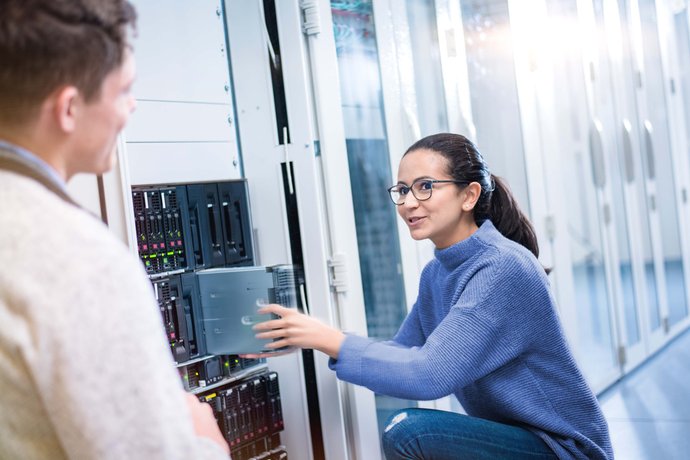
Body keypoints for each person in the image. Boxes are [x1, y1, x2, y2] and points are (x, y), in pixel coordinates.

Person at [251, 133, 614, 459]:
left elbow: (427, 375)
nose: (409, 202)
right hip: (519, 439)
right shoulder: (438, 273)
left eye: (425, 186)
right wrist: (313, 339)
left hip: (563, 450)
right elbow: (404, 353)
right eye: (402, 190)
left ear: (469, 195)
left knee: (411, 432)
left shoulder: (503, 268)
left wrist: (331, 339)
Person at [0, 1, 229, 458]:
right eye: (124, 89)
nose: (133, 105)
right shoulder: (78, 259)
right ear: (68, 108)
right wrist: (203, 438)